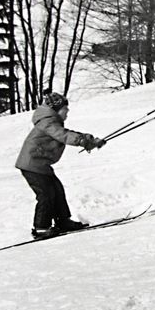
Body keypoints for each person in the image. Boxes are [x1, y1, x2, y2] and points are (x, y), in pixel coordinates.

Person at [15, 91, 106, 238]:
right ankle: (41, 228)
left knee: (57, 190)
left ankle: (63, 221)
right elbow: (63, 135)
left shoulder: (51, 121)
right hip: (32, 164)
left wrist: (89, 140)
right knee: (46, 194)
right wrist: (83, 141)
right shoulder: (48, 122)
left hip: (40, 164)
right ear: (56, 109)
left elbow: (66, 133)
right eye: (65, 108)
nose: (68, 111)